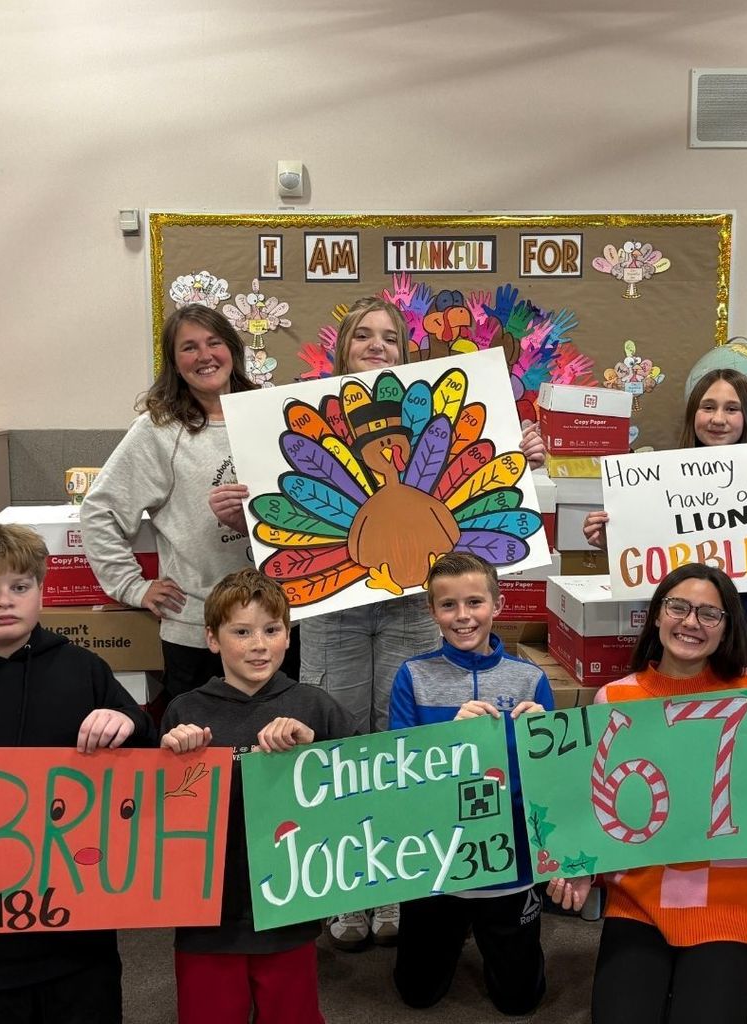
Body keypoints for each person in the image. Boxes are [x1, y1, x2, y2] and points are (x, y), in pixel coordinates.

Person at [214, 295, 545, 949]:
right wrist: (240, 509)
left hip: (413, 604)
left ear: (405, 348)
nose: (376, 345)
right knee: (336, 745)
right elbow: (279, 505)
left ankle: (394, 880)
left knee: (404, 750)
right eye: (362, 335)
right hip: (329, 607)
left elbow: (474, 486)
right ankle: (343, 885)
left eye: (389, 337)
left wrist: (523, 453)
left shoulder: (429, 413)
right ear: (341, 349)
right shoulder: (291, 418)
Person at [547, 563, 747, 1024]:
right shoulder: (614, 699)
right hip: (639, 899)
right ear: (657, 615)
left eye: (709, 614)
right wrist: (580, 866)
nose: (690, 622)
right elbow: (595, 804)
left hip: (730, 901)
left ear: (727, 628)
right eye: (678, 607)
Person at [0, 522, 155, 1024]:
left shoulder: (82, 669)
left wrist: (127, 719)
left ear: (40, 591)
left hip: (77, 938)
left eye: (20, 587)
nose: (5, 601)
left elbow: (146, 742)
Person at [159, 568, 355, 1024]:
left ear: (289, 635)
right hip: (207, 913)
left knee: (293, 1015)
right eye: (241, 632)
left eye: (271, 630)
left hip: (288, 906)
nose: (259, 644)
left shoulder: (315, 705)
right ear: (212, 639)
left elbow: (365, 781)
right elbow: (154, 812)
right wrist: (173, 756)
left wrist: (317, 748)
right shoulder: (185, 710)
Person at [388, 552, 553, 1016]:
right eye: (448, 606)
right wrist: (447, 740)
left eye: (475, 602)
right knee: (415, 993)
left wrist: (543, 736)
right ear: (432, 611)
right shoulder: (412, 675)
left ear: (498, 604)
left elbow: (554, 776)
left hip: (508, 856)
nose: (463, 617)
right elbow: (397, 770)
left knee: (520, 1001)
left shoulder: (529, 679)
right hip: (435, 859)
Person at [81, 304, 268, 700]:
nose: (204, 356)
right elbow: (100, 511)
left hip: (275, 624)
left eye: (214, 342)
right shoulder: (159, 430)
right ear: (174, 363)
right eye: (189, 347)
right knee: (200, 753)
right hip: (199, 630)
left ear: (232, 348)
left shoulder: (268, 413)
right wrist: (133, 586)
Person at [583, 368, 747, 675]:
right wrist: (614, 544)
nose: (718, 419)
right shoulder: (658, 482)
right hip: (683, 636)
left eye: (732, 409)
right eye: (708, 407)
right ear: (693, 414)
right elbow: (649, 565)